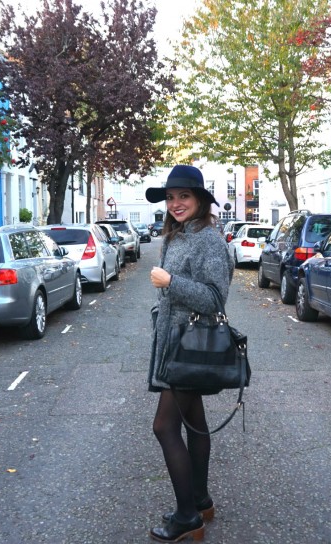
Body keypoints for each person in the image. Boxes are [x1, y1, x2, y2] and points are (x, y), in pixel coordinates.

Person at [145, 164, 234, 542]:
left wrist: (170, 281)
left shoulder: (207, 240)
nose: (175, 203)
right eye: (170, 197)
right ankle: (200, 500)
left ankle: (187, 517)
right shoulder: (177, 236)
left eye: (184, 196)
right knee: (194, 422)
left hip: (190, 346)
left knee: (164, 426)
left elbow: (214, 299)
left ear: (199, 200)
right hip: (176, 342)